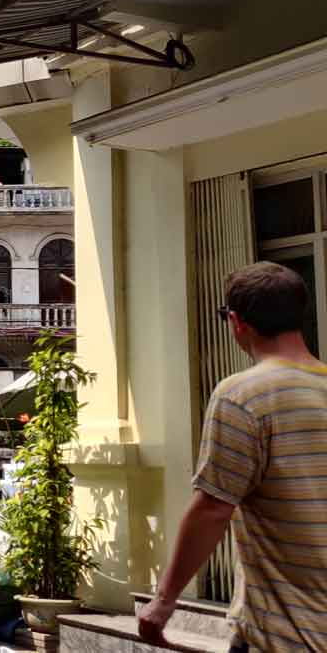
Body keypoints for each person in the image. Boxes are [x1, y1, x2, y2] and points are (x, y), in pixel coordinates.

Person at [137, 262, 327, 651]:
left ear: (237, 322)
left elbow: (212, 509)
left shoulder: (243, 396)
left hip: (285, 634)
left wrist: (162, 603)